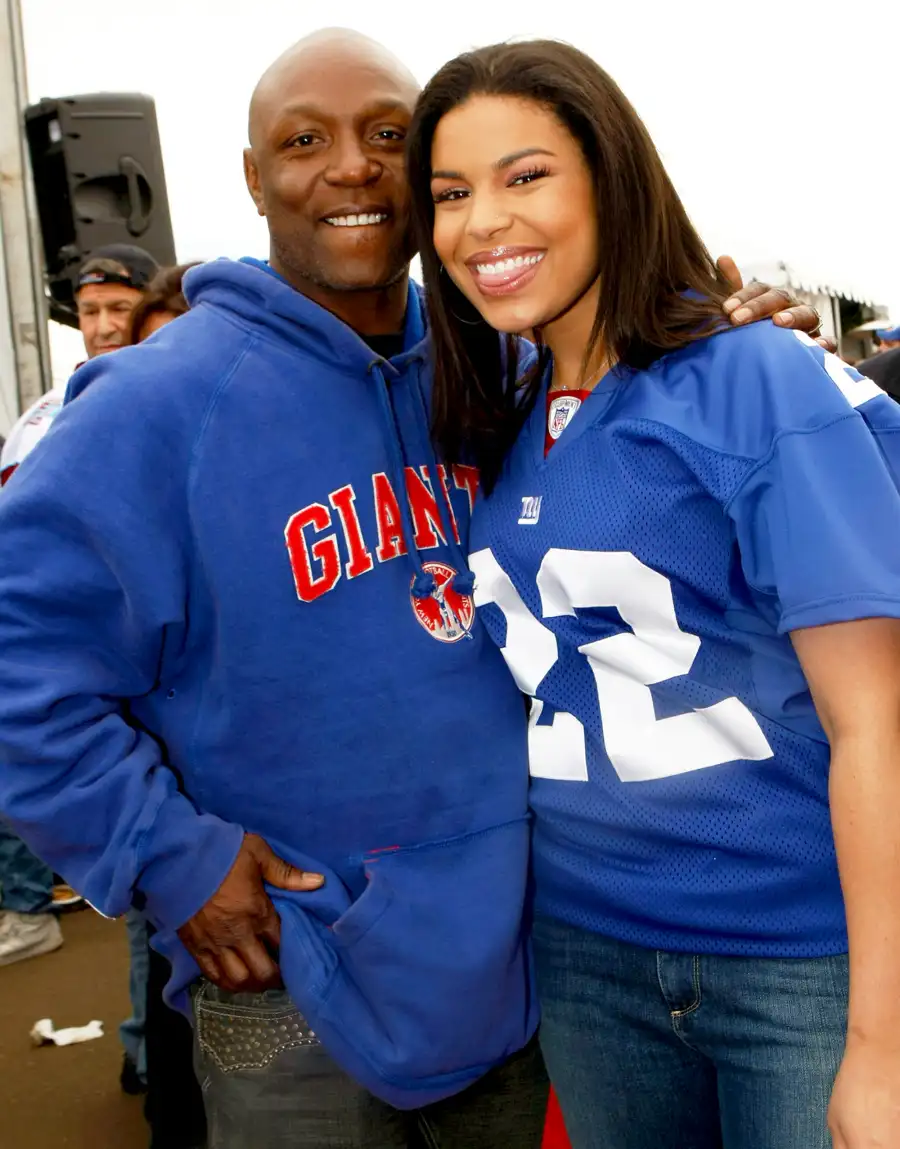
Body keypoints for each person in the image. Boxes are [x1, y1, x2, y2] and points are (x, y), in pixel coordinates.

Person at [0, 29, 824, 1149]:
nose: (351, 166)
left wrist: (722, 340)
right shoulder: (154, 405)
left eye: (389, 135)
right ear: (253, 179)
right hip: (293, 980)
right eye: (304, 141)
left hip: (523, 962)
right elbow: (20, 667)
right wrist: (167, 855)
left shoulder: (505, 361)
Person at [406, 39, 900, 1149]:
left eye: (524, 175)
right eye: (450, 192)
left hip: (799, 954)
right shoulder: (501, 407)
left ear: (611, 180)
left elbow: (877, 720)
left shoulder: (752, 377)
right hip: (586, 950)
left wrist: (884, 1041)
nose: (482, 221)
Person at [0, 242, 159, 1087]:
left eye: (117, 306)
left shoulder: (184, 398)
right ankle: (146, 1052)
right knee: (143, 889)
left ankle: (154, 1050)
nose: (102, 324)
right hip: (87, 690)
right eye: (89, 310)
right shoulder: (44, 413)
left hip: (165, 680)